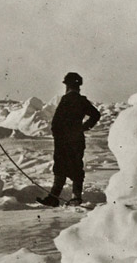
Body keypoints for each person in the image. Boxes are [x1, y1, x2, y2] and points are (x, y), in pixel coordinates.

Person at [38, 71, 101, 207]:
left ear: (67, 85)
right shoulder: (81, 100)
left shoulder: (66, 100)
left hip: (63, 141)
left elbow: (56, 123)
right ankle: (74, 197)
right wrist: (83, 127)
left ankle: (55, 198)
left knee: (61, 168)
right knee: (75, 167)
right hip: (76, 140)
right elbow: (96, 115)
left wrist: (59, 135)